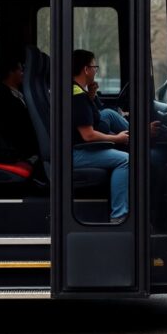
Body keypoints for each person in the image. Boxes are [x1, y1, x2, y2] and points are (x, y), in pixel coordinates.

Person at [71, 49, 130, 223]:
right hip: (78, 152)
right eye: (94, 66)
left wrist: (91, 95)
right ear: (86, 69)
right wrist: (117, 139)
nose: (96, 70)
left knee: (108, 114)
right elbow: (88, 135)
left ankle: (140, 135)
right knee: (126, 160)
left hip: (79, 145)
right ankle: (119, 216)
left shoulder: (77, 91)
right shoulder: (77, 97)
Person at [0, 58, 39, 163]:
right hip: (20, 149)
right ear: (11, 72)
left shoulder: (19, 92)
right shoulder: (3, 97)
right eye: (20, 70)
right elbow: (15, 127)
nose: (23, 73)